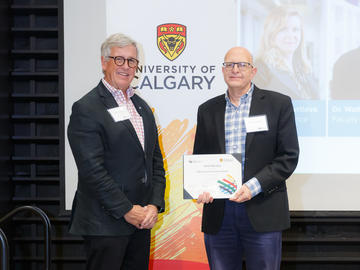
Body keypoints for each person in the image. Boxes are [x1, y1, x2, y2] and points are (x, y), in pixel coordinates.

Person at [194, 47, 299, 270]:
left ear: (253, 71)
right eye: (229, 65)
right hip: (219, 213)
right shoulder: (207, 110)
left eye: (242, 65)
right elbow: (200, 158)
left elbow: (288, 156)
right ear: (223, 70)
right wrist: (200, 187)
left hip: (263, 207)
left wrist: (253, 187)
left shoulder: (278, 104)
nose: (235, 69)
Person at [67, 33, 166, 270]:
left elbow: (154, 163)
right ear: (104, 62)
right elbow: (92, 171)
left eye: (132, 61)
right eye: (119, 59)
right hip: (105, 223)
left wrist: (153, 205)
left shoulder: (141, 107)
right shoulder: (87, 108)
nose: (126, 67)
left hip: (141, 221)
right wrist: (126, 210)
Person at [253, 6, 318, 99]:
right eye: (283, 29)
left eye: (295, 30)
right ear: (271, 34)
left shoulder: (304, 69)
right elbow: (255, 110)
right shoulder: (260, 69)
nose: (291, 35)